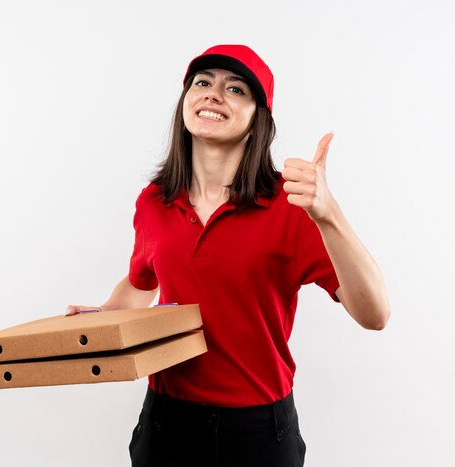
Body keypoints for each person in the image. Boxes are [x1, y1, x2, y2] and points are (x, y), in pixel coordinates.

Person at [66, 44, 390, 467]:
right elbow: (141, 281)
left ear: (259, 120)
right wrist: (106, 316)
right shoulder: (154, 202)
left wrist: (329, 215)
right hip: (166, 423)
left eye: (236, 89)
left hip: (258, 430)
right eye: (203, 83)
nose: (213, 94)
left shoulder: (291, 206)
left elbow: (374, 314)